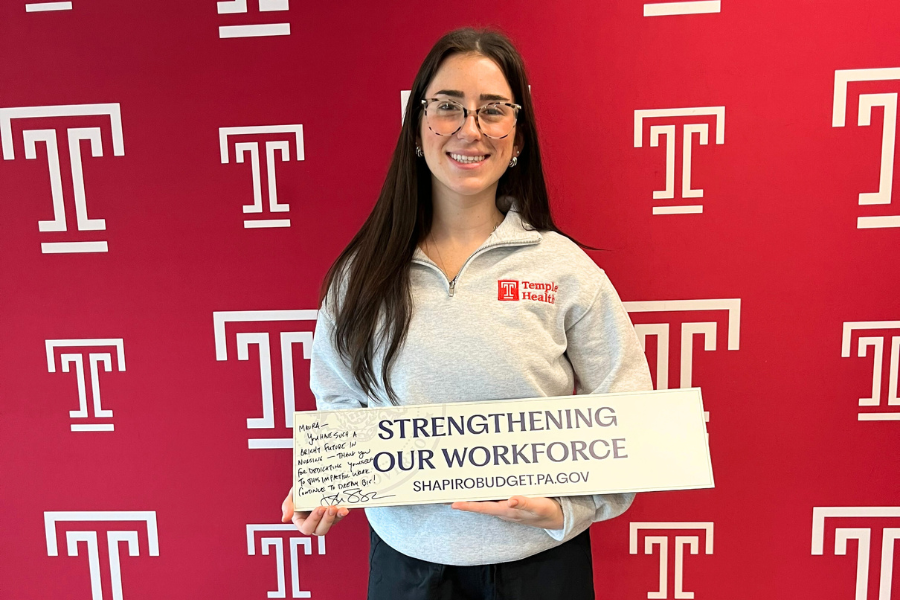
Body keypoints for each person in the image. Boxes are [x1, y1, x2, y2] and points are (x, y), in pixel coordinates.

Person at [280, 26, 652, 600]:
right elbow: (338, 403)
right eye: (448, 107)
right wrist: (326, 482)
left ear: (517, 135)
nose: (469, 130)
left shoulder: (563, 268)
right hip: (408, 567)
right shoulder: (362, 273)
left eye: (493, 110)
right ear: (417, 127)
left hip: (541, 565)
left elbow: (629, 411)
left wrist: (566, 508)